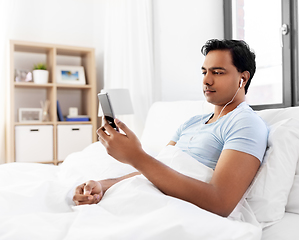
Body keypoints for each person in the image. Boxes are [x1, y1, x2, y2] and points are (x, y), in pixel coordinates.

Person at [73, 39, 268, 218]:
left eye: (217, 72)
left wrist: (136, 156)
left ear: (243, 78)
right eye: (204, 72)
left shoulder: (246, 123)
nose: (206, 80)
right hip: (145, 194)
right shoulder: (192, 123)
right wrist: (103, 185)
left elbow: (221, 202)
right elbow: (156, 169)